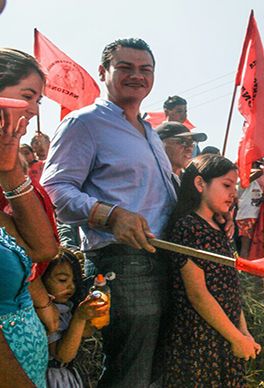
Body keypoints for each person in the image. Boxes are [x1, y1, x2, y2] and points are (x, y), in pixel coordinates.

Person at [41, 38, 177, 387]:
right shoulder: (84, 123)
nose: (137, 76)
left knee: (156, 369)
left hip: (166, 258)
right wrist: (111, 215)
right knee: (129, 371)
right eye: (126, 68)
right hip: (122, 261)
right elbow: (55, 190)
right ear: (104, 72)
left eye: (145, 69)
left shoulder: (149, 131)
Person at [163, 154, 260, 386]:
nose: (233, 194)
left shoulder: (220, 227)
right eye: (226, 185)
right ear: (199, 184)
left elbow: (231, 287)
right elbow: (198, 294)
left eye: (234, 187)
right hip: (198, 340)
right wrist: (236, 337)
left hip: (225, 336)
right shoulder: (188, 227)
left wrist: (243, 332)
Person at [0, 48, 59, 387]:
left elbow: (42, 249)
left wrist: (9, 172)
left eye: (37, 100)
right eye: (27, 96)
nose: (34, 110)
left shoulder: (8, 167)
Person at [43, 250, 106, 388]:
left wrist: (91, 318)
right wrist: (79, 317)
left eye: (74, 281)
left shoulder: (66, 308)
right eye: (62, 280)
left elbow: (83, 334)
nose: (70, 286)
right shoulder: (46, 314)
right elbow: (63, 355)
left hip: (67, 376)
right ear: (41, 278)